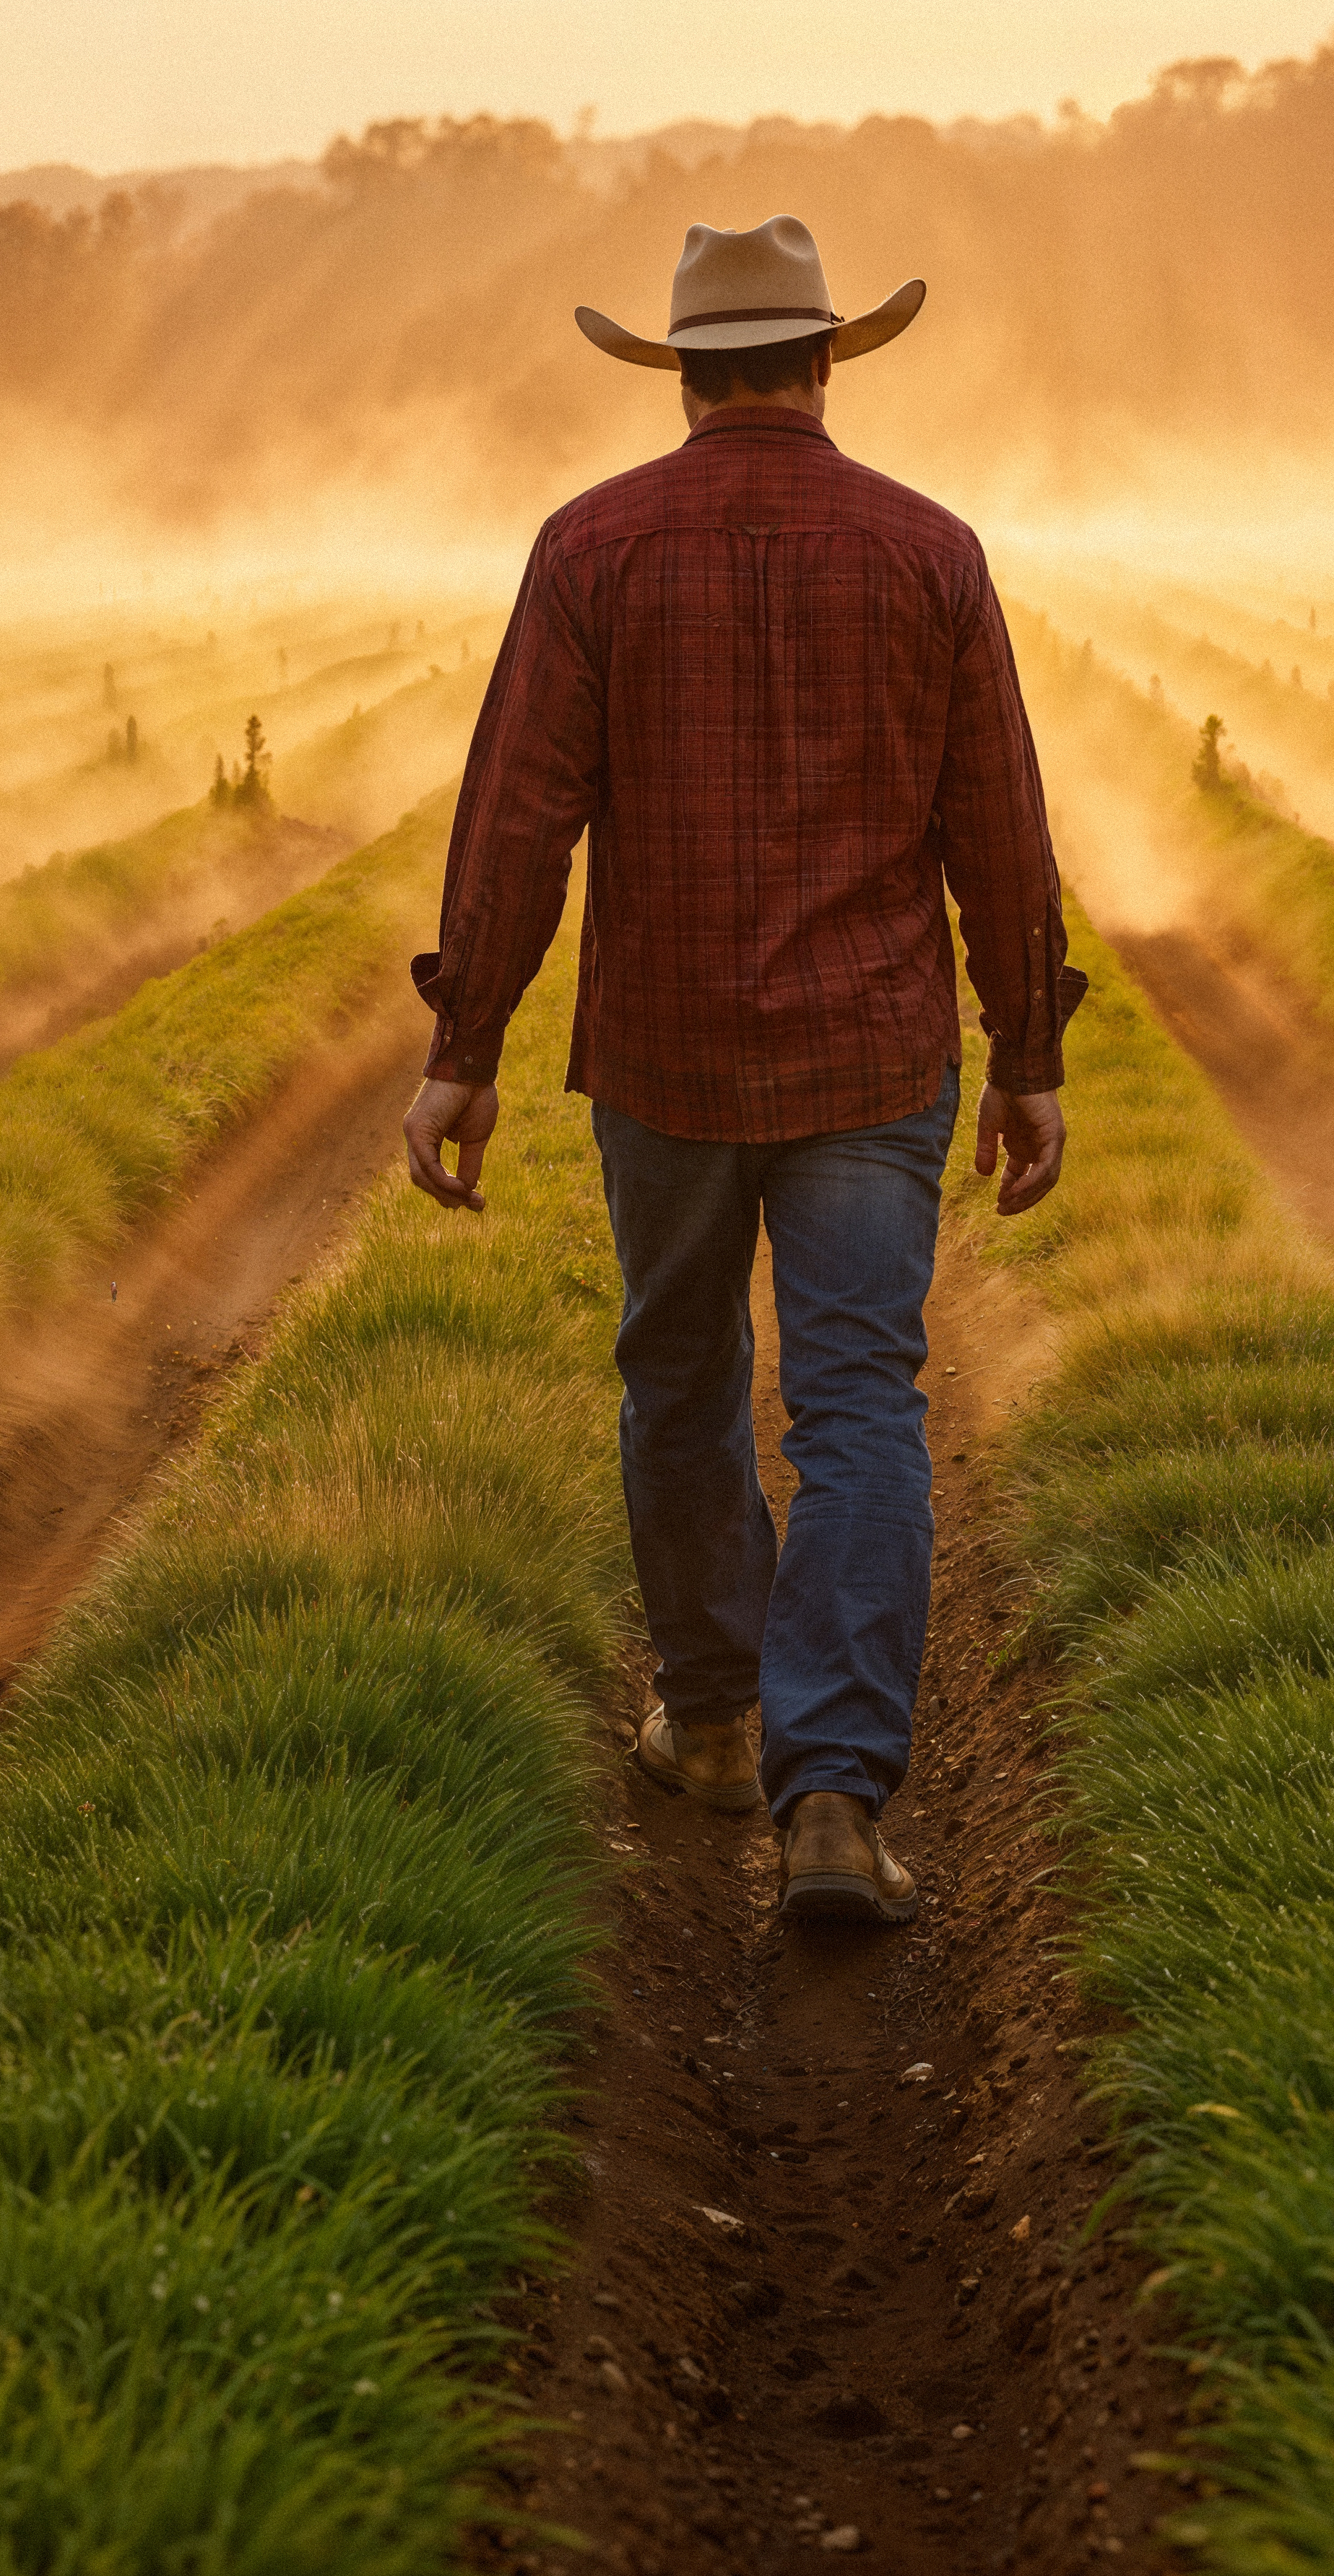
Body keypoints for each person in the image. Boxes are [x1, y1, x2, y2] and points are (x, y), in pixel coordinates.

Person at [402, 214, 1083, 1925]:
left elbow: (517, 813)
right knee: (858, 1404)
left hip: (665, 1053)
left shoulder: (591, 546)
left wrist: (460, 1048)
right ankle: (837, 1796)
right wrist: (1027, 1049)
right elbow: (996, 820)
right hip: (871, 1050)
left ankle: (712, 1725)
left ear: (685, 371)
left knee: (682, 1377)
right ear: (829, 358)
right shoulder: (927, 549)